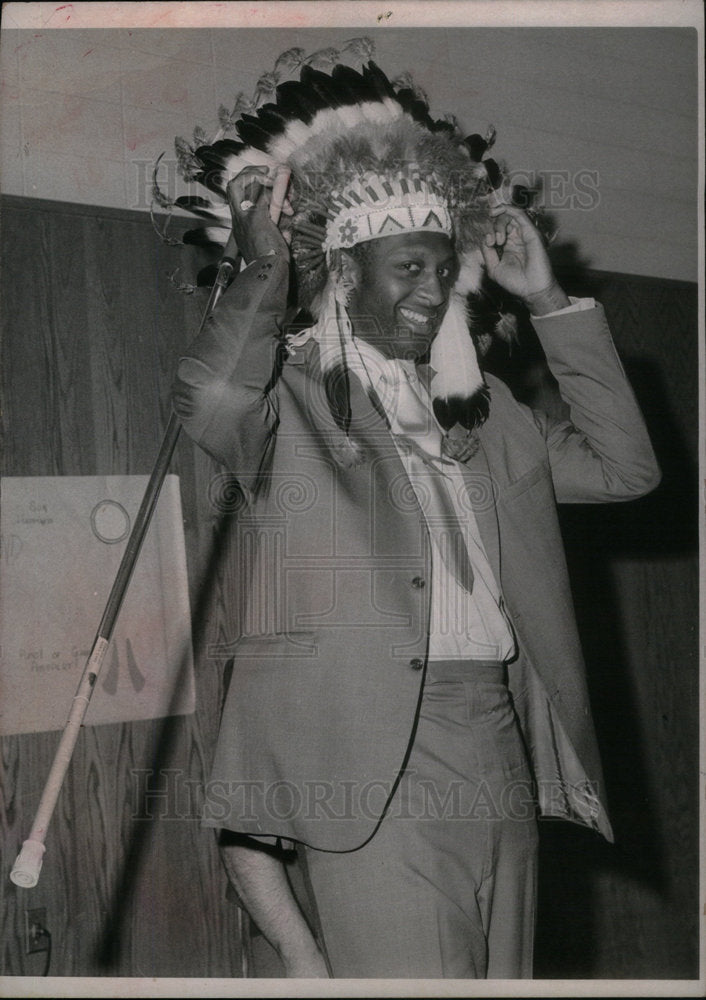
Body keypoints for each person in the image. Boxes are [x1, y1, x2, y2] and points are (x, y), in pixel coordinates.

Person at [171, 57, 660, 979]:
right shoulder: (291, 408)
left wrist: (549, 300)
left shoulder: (490, 421)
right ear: (346, 273)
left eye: (445, 270)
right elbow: (209, 399)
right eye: (407, 269)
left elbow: (627, 469)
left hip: (498, 735)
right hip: (374, 757)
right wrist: (263, 262)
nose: (433, 291)